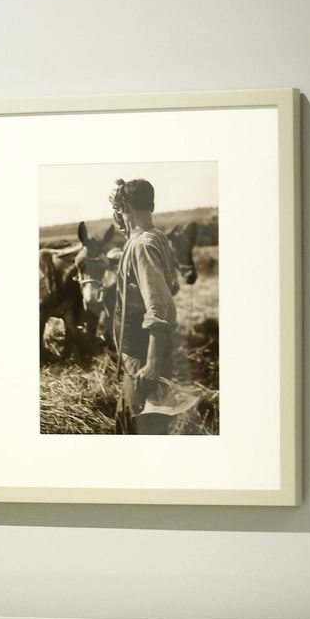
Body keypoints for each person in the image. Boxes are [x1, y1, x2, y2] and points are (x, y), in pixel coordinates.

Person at [109, 178, 198, 435]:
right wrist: (122, 214)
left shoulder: (142, 246)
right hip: (137, 356)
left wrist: (151, 364)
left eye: (119, 207)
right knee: (130, 421)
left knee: (139, 428)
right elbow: (135, 233)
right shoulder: (152, 237)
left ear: (125, 205)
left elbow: (158, 308)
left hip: (142, 357)